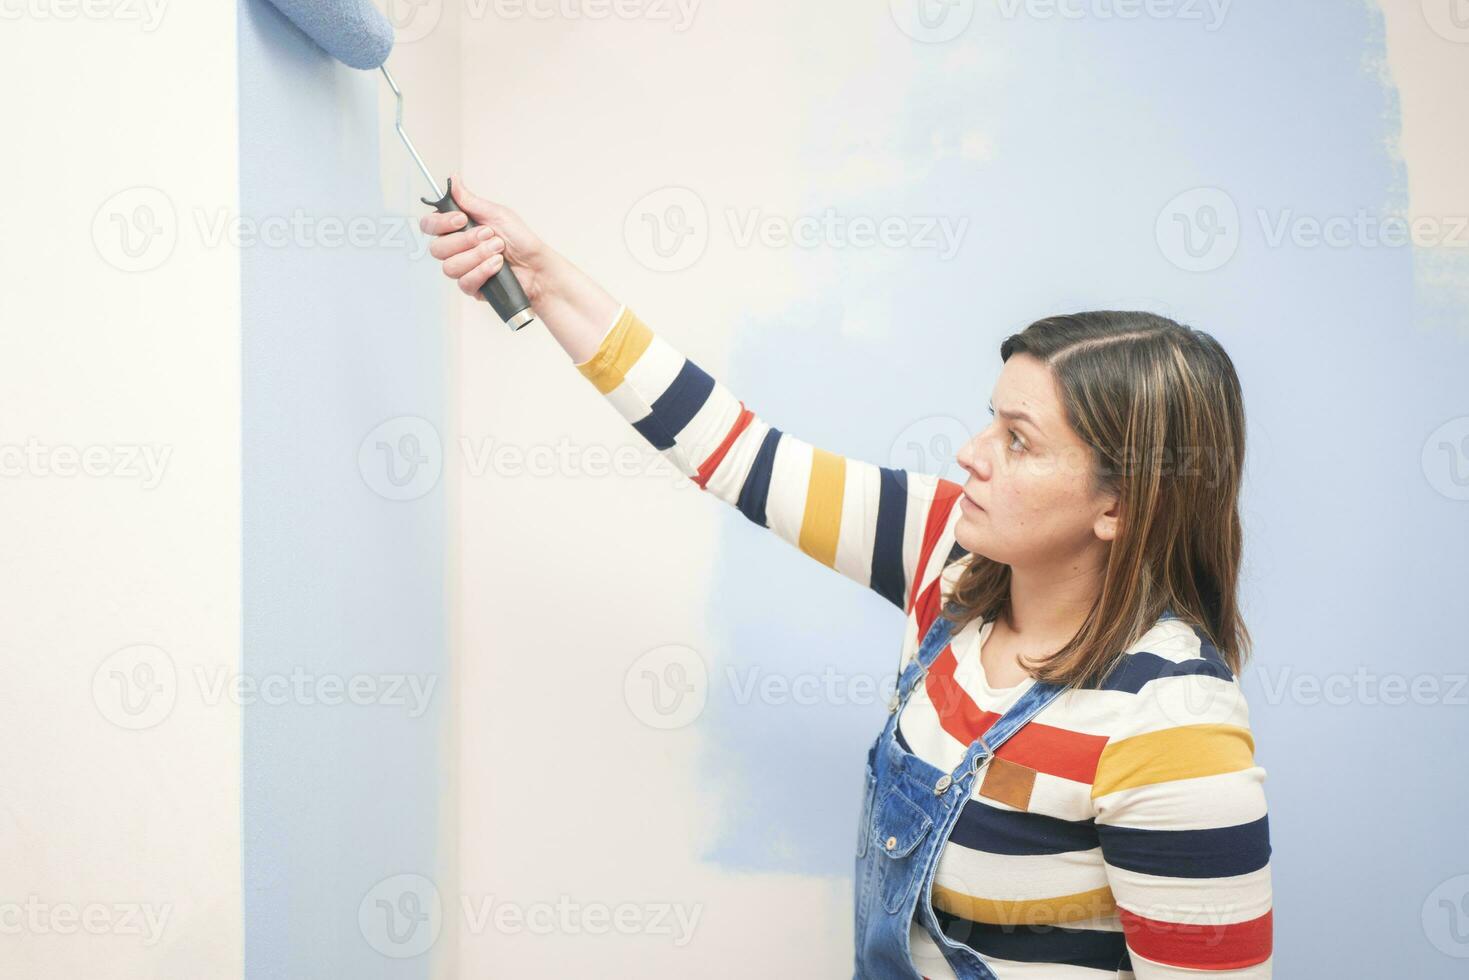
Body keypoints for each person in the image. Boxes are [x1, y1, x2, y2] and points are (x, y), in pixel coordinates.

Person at [420, 176, 1274, 979]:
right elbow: (737, 453)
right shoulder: (952, 554)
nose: (969, 455)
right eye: (990, 419)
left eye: (1018, 440)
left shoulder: (1172, 727)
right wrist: (546, 280)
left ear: (1119, 508)